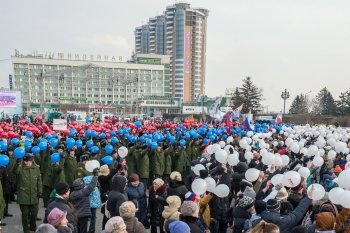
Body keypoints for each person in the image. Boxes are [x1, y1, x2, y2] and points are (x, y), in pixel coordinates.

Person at [14, 153, 42, 233]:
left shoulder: (36, 168)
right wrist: (18, 162)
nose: (26, 162)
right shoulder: (20, 168)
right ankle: (26, 229)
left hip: (34, 194)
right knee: (25, 214)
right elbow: (15, 171)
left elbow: (39, 181)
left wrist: (40, 191)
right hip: (23, 196)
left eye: (28, 161)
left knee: (34, 212)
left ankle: (33, 226)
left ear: (32, 161)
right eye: (25, 161)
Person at [69, 168, 99, 233]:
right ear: (81, 185)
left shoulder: (72, 194)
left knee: (78, 229)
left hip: (76, 215)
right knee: (83, 230)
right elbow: (92, 185)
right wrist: (95, 176)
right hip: (83, 216)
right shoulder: (84, 192)